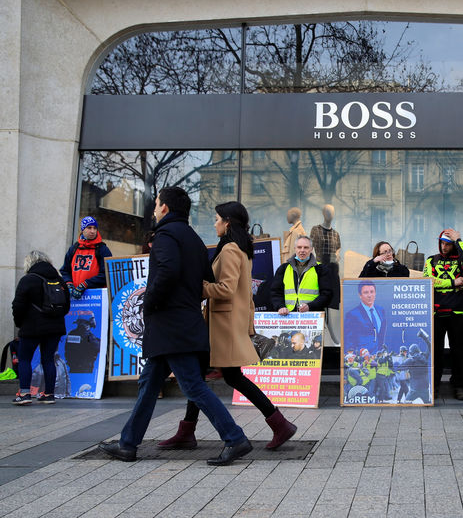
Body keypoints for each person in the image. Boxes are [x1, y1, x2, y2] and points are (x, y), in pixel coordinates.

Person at [98, 186, 252, 466]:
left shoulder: (167, 235)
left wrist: (149, 303)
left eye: (157, 204)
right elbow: (204, 277)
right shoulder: (193, 239)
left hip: (170, 326)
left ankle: (235, 437)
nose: (155, 209)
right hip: (183, 323)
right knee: (148, 383)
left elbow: (167, 272)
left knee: (193, 386)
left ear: (165, 208)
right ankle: (128, 444)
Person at [157, 202, 296, 452]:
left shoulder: (231, 250)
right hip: (224, 324)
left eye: (217, 219)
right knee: (202, 376)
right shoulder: (239, 248)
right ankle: (187, 431)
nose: (215, 223)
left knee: (221, 377)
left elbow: (226, 288)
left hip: (223, 326)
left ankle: (279, 424)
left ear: (228, 222)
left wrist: (196, 287)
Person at [11, 250, 70, 405]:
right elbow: (66, 306)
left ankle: (24, 394)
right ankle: (49, 394)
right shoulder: (59, 280)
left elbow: (17, 305)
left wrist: (19, 323)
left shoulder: (28, 280)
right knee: (48, 359)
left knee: (25, 359)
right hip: (55, 328)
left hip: (31, 328)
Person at [423, 228, 463, 400]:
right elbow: (429, 281)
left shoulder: (460, 260)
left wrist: (459, 240)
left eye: (448, 244)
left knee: (460, 352)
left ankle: (459, 386)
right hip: (436, 312)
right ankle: (434, 386)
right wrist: (453, 282)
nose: (444, 247)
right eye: (442, 243)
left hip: (458, 311)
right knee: (435, 352)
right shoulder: (431, 260)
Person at [271, 235, 333, 315]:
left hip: (312, 316)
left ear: (311, 249)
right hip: (288, 316)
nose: (302, 250)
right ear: (295, 249)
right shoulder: (283, 269)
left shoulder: (321, 269)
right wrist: (280, 306)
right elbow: (275, 292)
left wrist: (310, 306)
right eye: (299, 247)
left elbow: (327, 294)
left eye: (306, 247)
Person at [59, 216, 113, 298]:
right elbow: (65, 270)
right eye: (89, 228)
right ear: (82, 229)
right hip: (74, 297)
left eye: (95, 228)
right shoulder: (74, 248)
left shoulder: (103, 249)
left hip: (96, 297)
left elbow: (107, 274)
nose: (92, 231)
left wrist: (86, 284)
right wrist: (69, 283)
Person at [344, 280, 387, 356]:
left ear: (375, 293)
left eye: (372, 292)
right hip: (362, 359)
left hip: (378, 357)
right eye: (366, 292)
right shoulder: (352, 315)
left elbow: (381, 335)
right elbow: (348, 341)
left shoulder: (381, 310)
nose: (369, 295)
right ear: (360, 295)